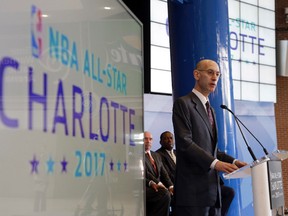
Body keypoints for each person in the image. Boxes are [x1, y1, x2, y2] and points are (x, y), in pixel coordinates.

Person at [172, 59, 247, 216]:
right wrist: (215, 163)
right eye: (210, 72)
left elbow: (212, 149)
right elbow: (185, 143)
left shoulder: (211, 110)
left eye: (218, 74)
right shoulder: (183, 104)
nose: (215, 78)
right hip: (193, 194)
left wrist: (233, 161)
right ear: (197, 74)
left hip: (213, 193)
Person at [144, 131, 174, 216]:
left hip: (158, 186)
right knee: (165, 194)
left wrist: (171, 186)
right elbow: (145, 174)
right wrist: (158, 183)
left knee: (175, 193)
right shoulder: (137, 155)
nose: (148, 141)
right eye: (145, 139)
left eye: (150, 139)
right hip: (146, 187)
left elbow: (164, 174)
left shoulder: (156, 155)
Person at [156, 131, 176, 216]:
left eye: (171, 138)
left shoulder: (178, 152)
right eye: (166, 138)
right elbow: (166, 174)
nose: (169, 140)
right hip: (171, 187)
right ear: (160, 142)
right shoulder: (158, 155)